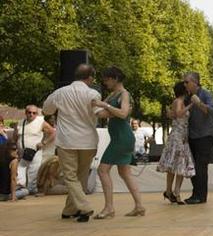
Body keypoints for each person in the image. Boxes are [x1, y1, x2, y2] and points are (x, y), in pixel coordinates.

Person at [42, 64, 111, 222]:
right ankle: (70, 209)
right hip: (88, 140)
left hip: (67, 140)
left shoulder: (60, 92)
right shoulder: (93, 93)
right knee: (81, 176)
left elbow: (46, 110)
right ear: (90, 78)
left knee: (70, 177)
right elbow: (98, 113)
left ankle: (83, 207)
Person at [94, 66, 145, 219]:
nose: (104, 82)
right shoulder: (112, 95)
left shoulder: (124, 94)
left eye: (107, 79)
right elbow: (102, 113)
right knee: (125, 173)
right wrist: (105, 109)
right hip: (119, 138)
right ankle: (139, 206)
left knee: (102, 170)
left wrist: (106, 106)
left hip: (122, 138)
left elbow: (122, 114)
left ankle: (109, 208)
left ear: (115, 79)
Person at [157, 81, 196, 204]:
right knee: (175, 164)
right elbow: (179, 114)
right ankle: (171, 191)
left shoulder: (179, 102)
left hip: (182, 136)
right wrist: (190, 106)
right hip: (177, 136)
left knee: (179, 164)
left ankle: (174, 191)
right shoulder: (178, 102)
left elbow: (174, 115)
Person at [182, 71, 213, 205]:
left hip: (204, 135)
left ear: (195, 82)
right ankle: (196, 194)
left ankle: (201, 196)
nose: (184, 84)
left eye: (186, 82)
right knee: (193, 166)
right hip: (192, 135)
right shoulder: (187, 97)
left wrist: (199, 103)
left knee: (201, 166)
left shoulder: (205, 94)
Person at [13, 104, 55, 195]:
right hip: (22, 153)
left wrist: (44, 143)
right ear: (25, 113)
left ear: (37, 114)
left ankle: (30, 190)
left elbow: (53, 133)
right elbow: (15, 137)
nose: (31, 114)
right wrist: (15, 148)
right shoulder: (20, 123)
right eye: (29, 112)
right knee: (20, 172)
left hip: (35, 152)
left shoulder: (41, 122)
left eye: (34, 113)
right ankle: (21, 189)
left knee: (33, 174)